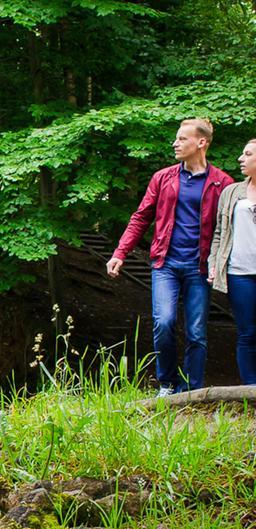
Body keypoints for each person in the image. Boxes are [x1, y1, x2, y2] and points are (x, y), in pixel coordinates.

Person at [106, 118, 234, 395]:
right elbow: (141, 217)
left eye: (182, 139)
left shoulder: (222, 183)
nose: (175, 143)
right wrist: (120, 253)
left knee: (196, 332)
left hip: (200, 267)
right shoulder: (163, 178)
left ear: (201, 143)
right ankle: (166, 383)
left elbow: (229, 229)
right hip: (165, 263)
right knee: (163, 322)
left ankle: (192, 389)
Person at [208, 139, 256, 384]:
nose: (241, 158)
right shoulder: (231, 192)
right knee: (247, 333)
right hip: (240, 273)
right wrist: (214, 263)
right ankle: (251, 389)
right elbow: (220, 232)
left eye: (247, 154)